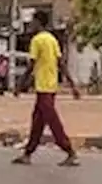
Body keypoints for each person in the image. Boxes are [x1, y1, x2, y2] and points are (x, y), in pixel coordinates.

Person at [13, 9, 80, 167]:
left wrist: (20, 85)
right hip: (50, 85)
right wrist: (72, 86)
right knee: (37, 121)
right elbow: (60, 63)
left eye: (33, 23)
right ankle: (27, 153)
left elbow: (31, 65)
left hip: (44, 87)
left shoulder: (37, 40)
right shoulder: (52, 39)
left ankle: (70, 151)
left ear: (38, 23)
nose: (31, 26)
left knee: (52, 121)